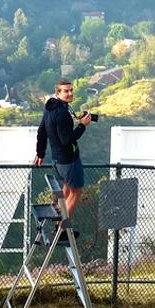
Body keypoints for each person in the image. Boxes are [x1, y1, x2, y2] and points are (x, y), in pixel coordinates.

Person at [34, 79, 92, 218]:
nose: (70, 93)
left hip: (57, 160)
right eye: (66, 91)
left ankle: (59, 224)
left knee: (66, 187)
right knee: (76, 192)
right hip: (69, 160)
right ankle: (63, 228)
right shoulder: (62, 113)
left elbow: (42, 131)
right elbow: (67, 140)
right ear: (58, 93)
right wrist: (82, 125)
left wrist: (40, 153)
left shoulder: (50, 109)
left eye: (71, 90)